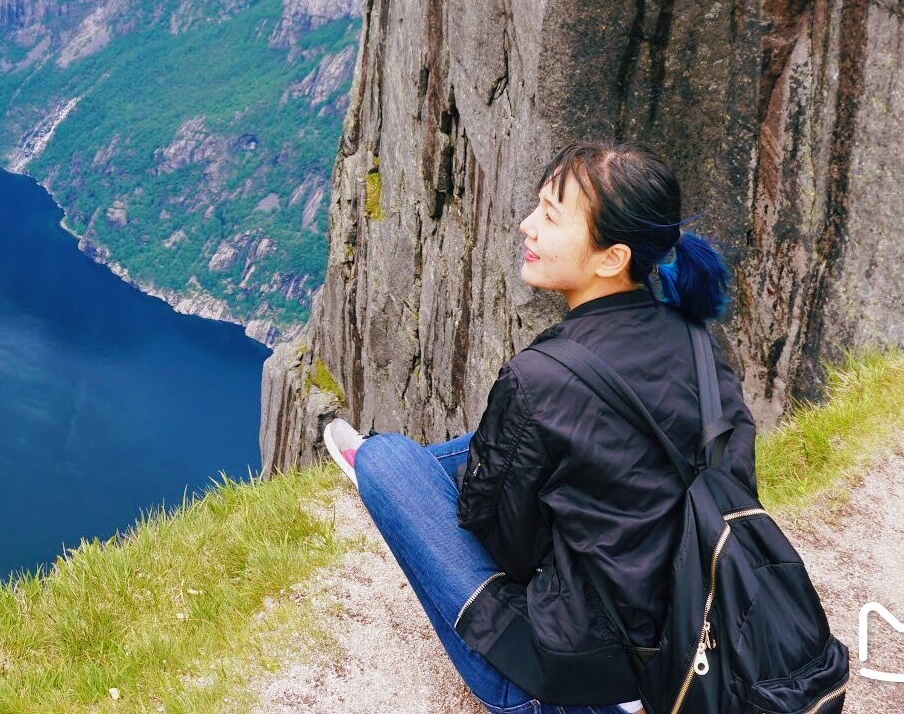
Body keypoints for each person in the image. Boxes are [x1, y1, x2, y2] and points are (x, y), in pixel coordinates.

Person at [321, 140, 759, 714]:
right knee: (507, 449)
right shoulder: (702, 350)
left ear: (611, 258)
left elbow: (505, 546)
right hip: (697, 645)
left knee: (385, 461)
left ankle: (415, 472)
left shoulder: (541, 377)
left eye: (551, 216)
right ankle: (463, 460)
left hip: (568, 683)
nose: (527, 226)